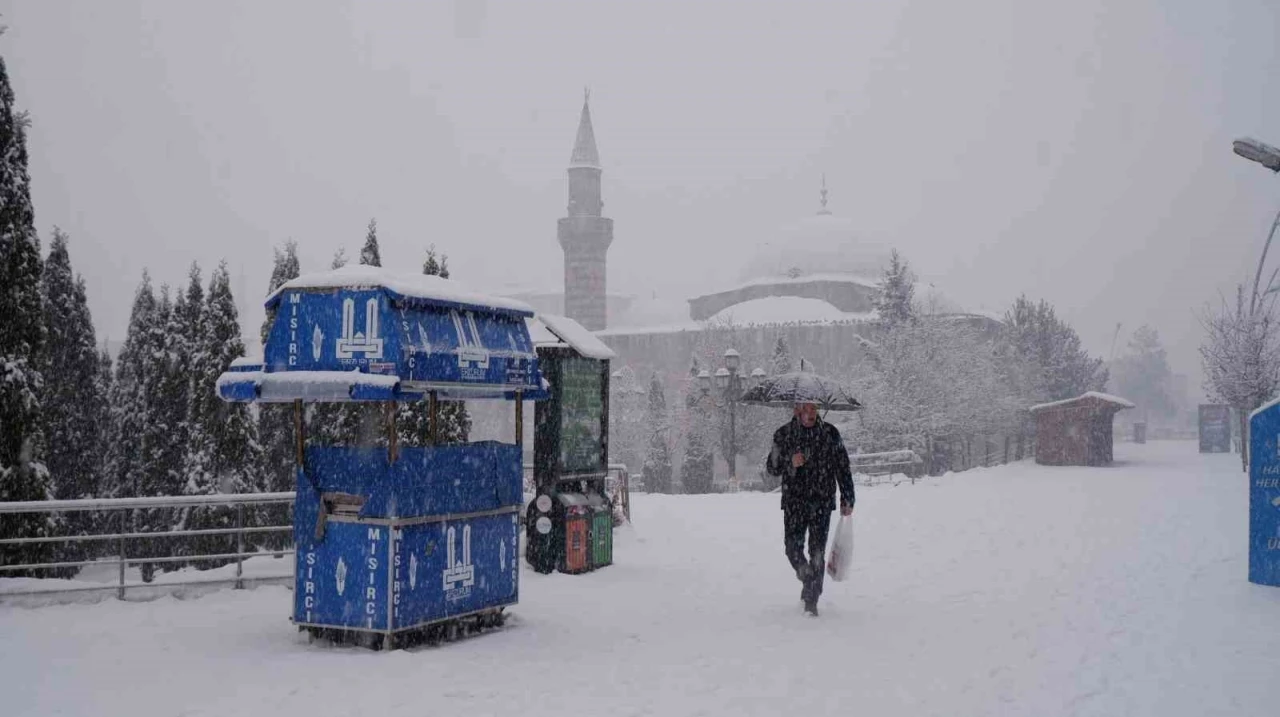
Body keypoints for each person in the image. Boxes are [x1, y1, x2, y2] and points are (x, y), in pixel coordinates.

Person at [765, 401, 855, 616]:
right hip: (794, 502)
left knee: (817, 552)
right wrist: (789, 461)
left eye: (814, 408)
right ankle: (808, 577)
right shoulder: (784, 434)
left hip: (821, 502)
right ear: (796, 410)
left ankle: (811, 600)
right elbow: (771, 468)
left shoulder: (829, 434)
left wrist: (848, 496)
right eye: (806, 408)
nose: (811, 413)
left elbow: (843, 467)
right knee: (792, 548)